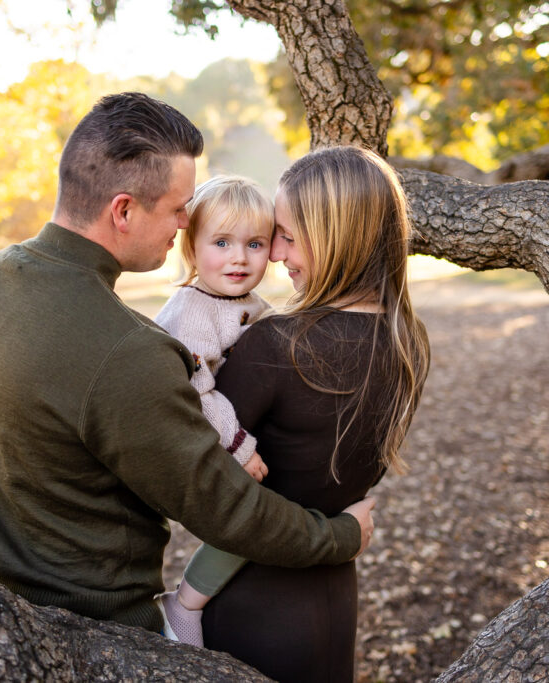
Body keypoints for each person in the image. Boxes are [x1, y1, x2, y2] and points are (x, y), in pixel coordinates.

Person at [0, 92, 376, 638]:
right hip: (100, 631)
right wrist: (340, 538)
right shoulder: (126, 351)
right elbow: (226, 509)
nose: (187, 221)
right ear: (123, 210)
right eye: (177, 207)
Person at [200, 146, 431, 682]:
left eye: (288, 235)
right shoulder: (405, 342)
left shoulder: (278, 344)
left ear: (336, 237)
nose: (276, 254)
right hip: (334, 597)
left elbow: (201, 479)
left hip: (252, 600)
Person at [153, 175, 274, 645]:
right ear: (192, 248)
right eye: (221, 242)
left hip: (209, 429)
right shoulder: (192, 310)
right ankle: (183, 605)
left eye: (255, 243)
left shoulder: (243, 300)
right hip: (180, 432)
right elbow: (196, 392)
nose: (239, 257)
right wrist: (240, 447)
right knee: (246, 512)